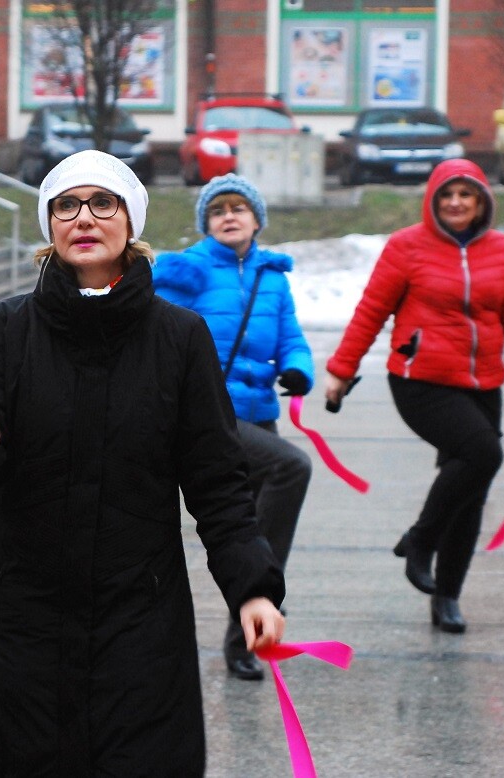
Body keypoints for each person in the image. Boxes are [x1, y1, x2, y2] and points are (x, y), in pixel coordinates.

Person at [0, 149, 286, 776]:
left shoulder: (180, 338)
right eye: (67, 205)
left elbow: (218, 481)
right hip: (21, 615)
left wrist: (252, 588)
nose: (84, 218)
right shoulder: (8, 329)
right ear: (51, 224)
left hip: (137, 615)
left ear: (129, 222)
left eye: (102, 203)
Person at [323, 158, 504, 633]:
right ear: (433, 200)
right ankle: (421, 540)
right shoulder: (407, 247)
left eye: (466, 194)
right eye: (447, 194)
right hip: (420, 379)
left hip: (483, 383)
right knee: (483, 453)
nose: (457, 203)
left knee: (471, 488)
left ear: (482, 200)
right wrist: (341, 370)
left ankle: (446, 597)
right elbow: (371, 310)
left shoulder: (500, 249)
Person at [153, 173, 312, 681]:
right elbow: (159, 339)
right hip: (207, 417)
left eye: (238, 208)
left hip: (260, 414)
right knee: (293, 469)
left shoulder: (273, 276)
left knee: (256, 535)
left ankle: (248, 629)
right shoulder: (187, 271)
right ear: (206, 221)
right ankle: (254, 617)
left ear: (257, 220)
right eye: (217, 209)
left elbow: (291, 337)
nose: (228, 216)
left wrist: (297, 368)